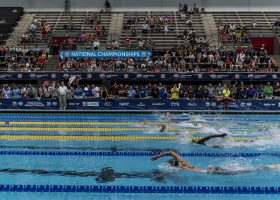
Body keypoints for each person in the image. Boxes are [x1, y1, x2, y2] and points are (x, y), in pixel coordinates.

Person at [151, 151, 280, 175]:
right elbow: (171, 152)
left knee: (241, 171)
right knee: (238, 170)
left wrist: (158, 157)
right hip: (211, 169)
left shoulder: (181, 165)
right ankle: (266, 167)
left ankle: (267, 167)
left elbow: (171, 153)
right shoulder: (182, 164)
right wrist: (158, 156)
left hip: (211, 172)